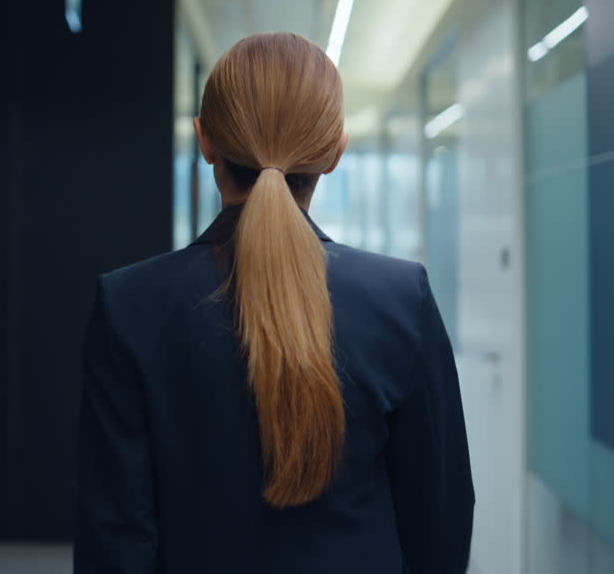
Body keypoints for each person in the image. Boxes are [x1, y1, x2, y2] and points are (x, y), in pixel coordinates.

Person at [74, 32, 474, 573]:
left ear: (205, 141)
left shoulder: (129, 304)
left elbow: (115, 535)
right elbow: (439, 521)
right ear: (335, 151)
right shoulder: (402, 299)